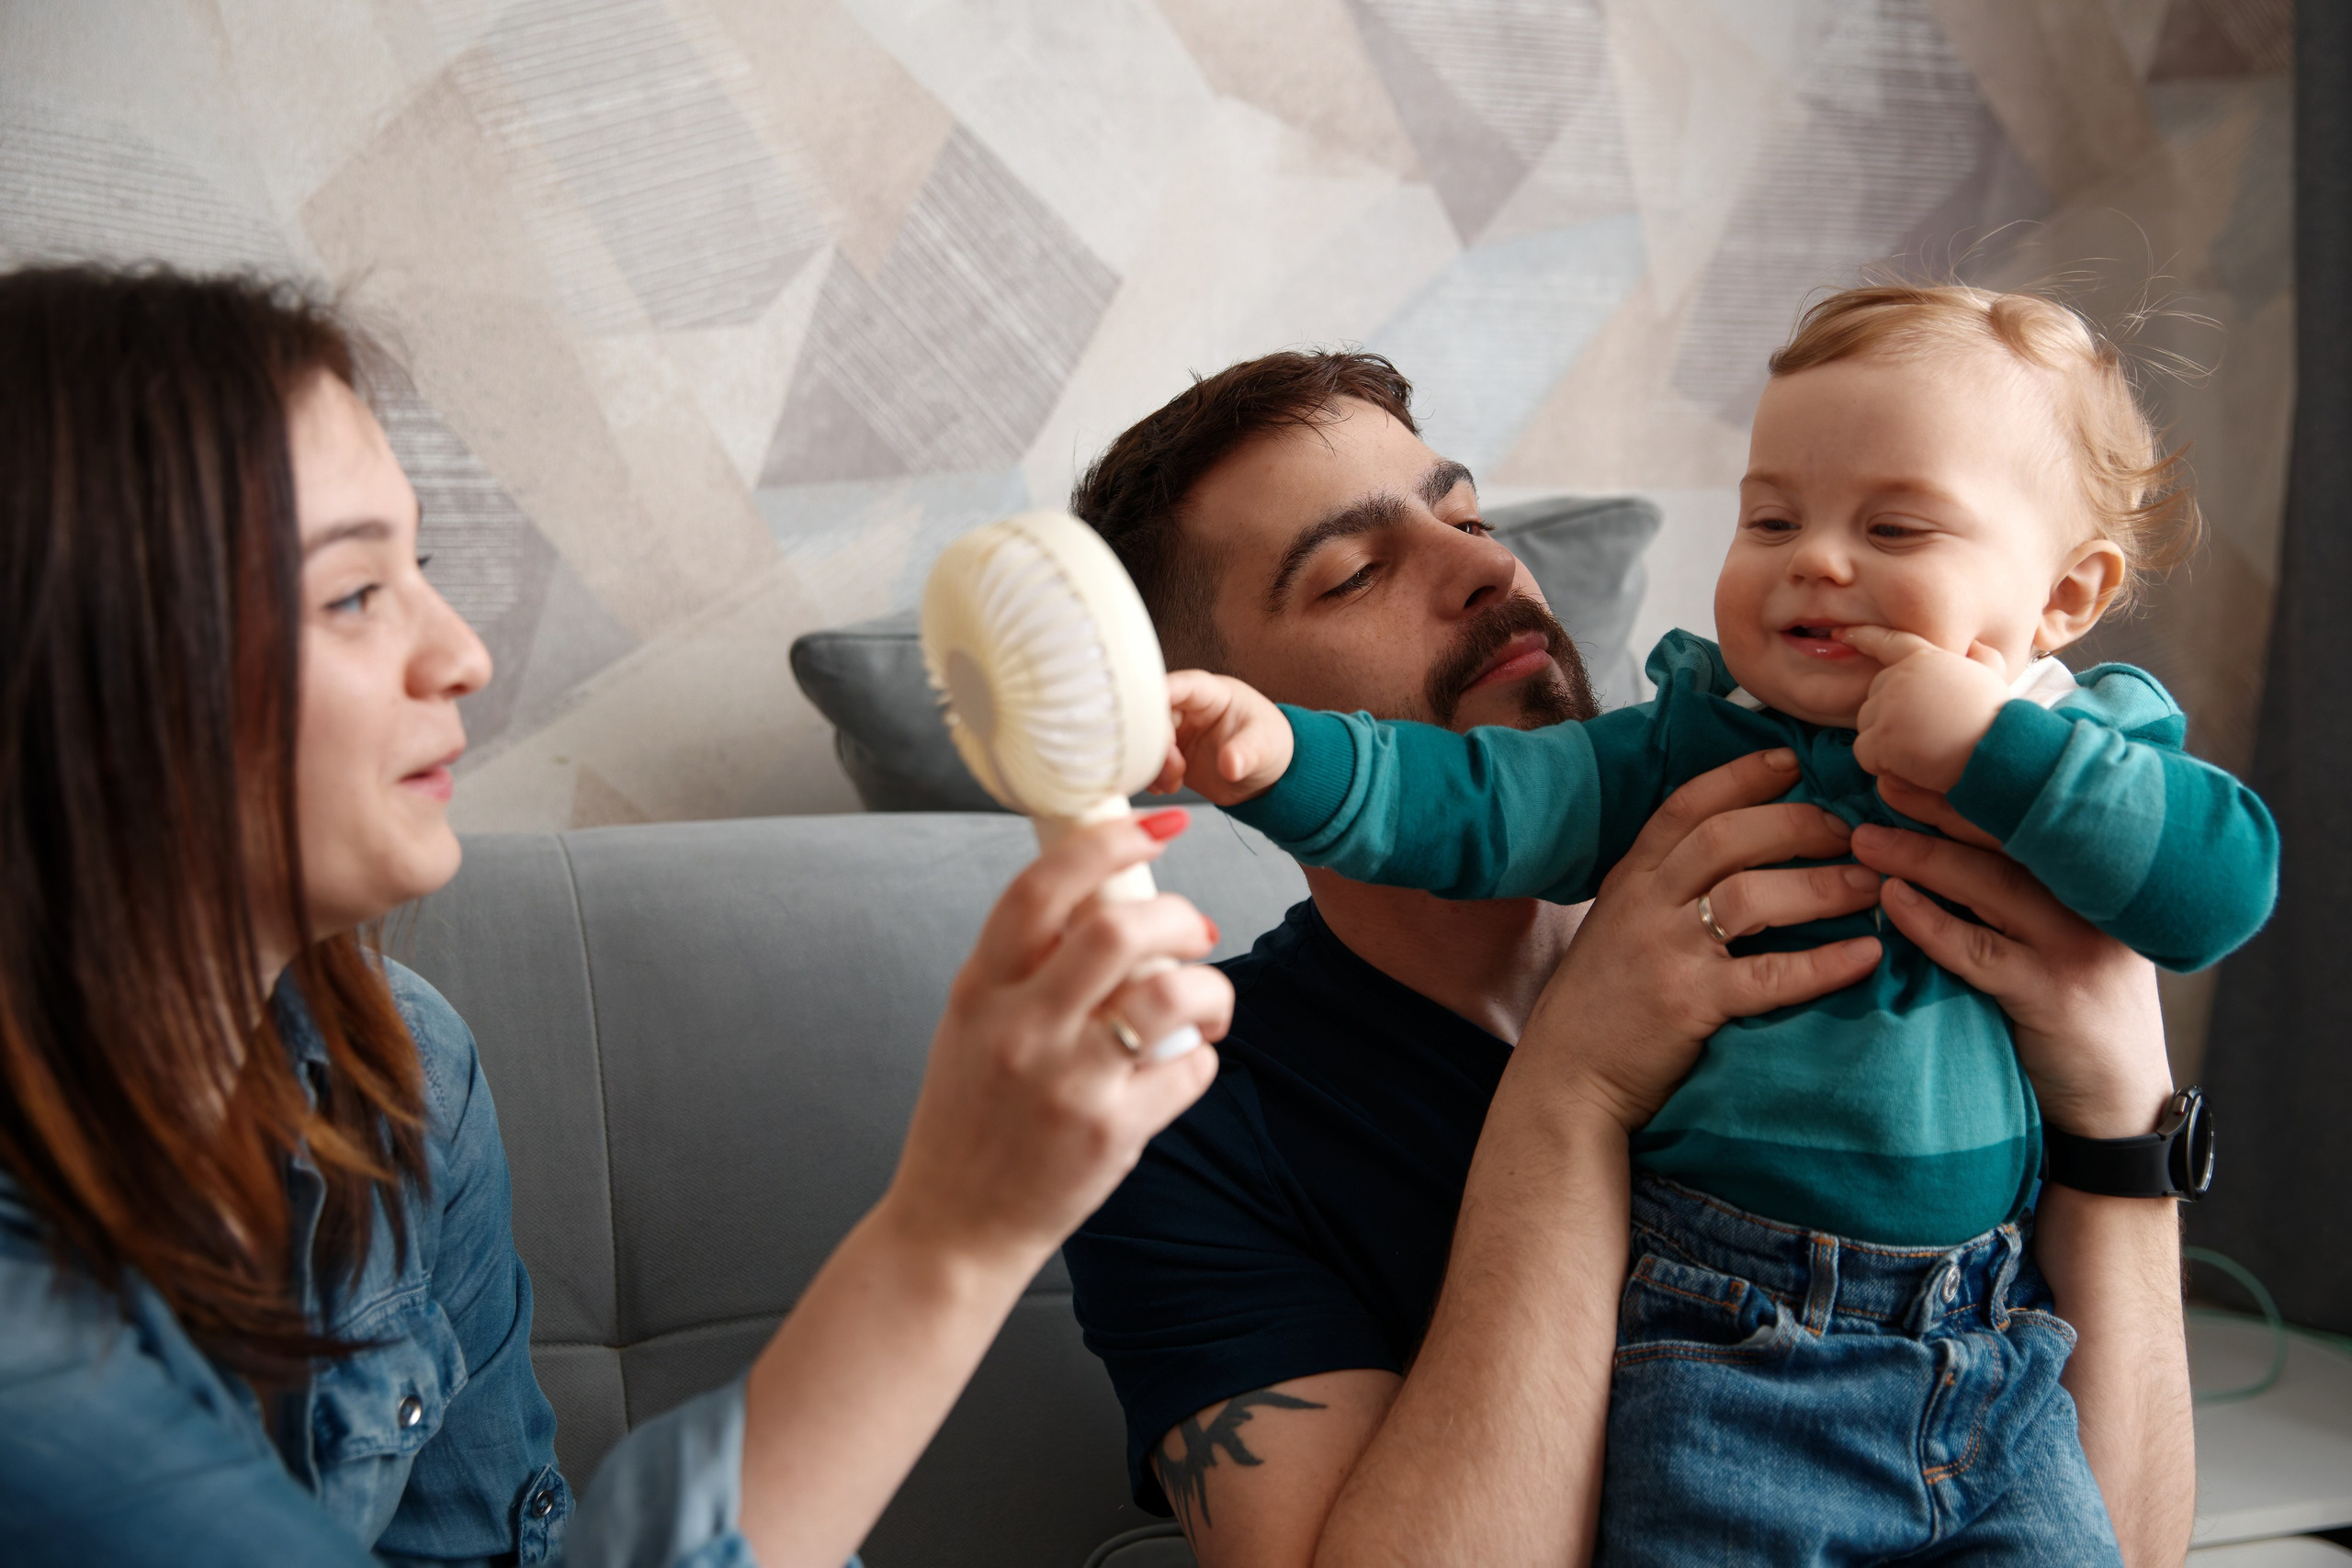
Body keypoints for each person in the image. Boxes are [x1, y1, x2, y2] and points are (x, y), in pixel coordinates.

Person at [0, 266, 1232, 1568]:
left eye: (417, 567)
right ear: (84, 678)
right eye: (353, 594)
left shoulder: (396, 1078)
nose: (463, 653)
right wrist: (953, 1236)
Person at [1148, 287, 2272, 1557]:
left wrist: (2118, 1101)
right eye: (1356, 572)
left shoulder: (2048, 772)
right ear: (1215, 717)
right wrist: (1573, 1086)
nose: (1483, 569)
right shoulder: (1189, 1125)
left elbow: (2135, 1542)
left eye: (1467, 514)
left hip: (1981, 1365)